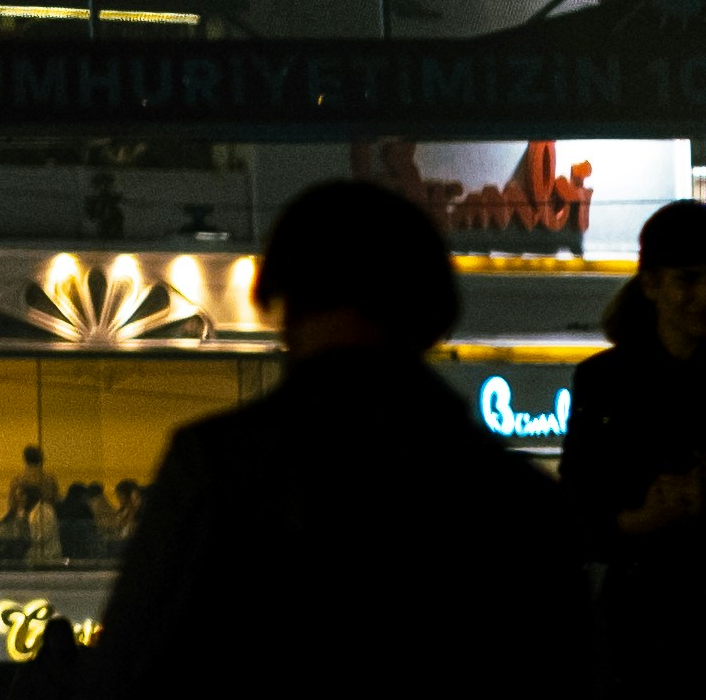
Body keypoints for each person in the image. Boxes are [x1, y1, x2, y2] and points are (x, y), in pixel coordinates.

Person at [88, 175, 579, 700]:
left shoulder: (218, 468)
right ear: (435, 315)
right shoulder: (516, 496)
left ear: (279, 303)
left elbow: (127, 669)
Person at [573, 194, 706, 674]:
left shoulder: (603, 381)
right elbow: (577, 519)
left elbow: (577, 519)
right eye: (688, 279)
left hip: (635, 620)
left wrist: (635, 523)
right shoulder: (603, 383)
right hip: (642, 628)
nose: (703, 296)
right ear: (650, 284)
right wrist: (642, 521)